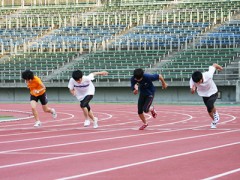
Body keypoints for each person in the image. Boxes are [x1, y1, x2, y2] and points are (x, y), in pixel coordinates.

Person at [190, 63, 223, 129]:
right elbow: (192, 91)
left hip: (213, 91)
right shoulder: (192, 80)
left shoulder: (208, 74)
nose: (198, 83)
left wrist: (220, 68)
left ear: (202, 77)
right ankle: (214, 121)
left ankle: (216, 115)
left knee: (209, 104)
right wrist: (193, 90)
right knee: (209, 109)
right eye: (197, 83)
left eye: (199, 81)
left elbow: (214, 65)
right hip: (204, 94)